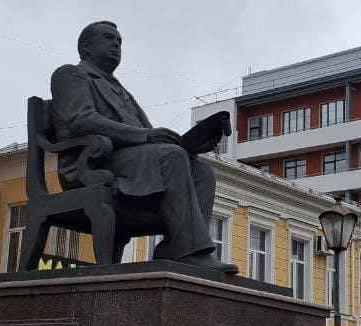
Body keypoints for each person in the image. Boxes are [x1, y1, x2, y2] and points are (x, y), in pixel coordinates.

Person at [50, 21, 235, 273]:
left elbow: (151, 138)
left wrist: (191, 145)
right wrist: (147, 136)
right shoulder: (70, 74)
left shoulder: (121, 90)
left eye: (119, 41)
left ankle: (178, 248)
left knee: (203, 172)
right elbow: (80, 119)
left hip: (133, 162)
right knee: (171, 156)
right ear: (86, 46)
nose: (116, 44)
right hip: (94, 163)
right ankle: (193, 250)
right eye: (108, 38)